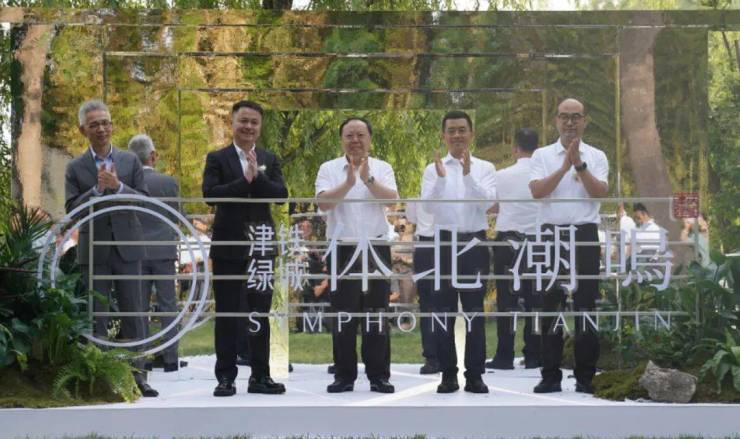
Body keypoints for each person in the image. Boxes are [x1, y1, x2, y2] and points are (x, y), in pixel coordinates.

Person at [64, 99, 157, 397]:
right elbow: (71, 210)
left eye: (105, 123)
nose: (101, 129)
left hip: (128, 247)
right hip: (95, 250)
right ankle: (100, 378)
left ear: (112, 126)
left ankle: (139, 377)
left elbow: (145, 202)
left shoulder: (130, 161)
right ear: (83, 130)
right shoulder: (75, 167)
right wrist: (96, 190)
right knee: (96, 315)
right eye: (94, 125)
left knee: (135, 313)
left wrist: (118, 187)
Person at [202, 100, 288, 396]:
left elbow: (281, 194)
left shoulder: (269, 158)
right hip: (228, 246)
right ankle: (225, 377)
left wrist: (257, 177)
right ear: (233, 123)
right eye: (244, 121)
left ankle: (260, 376)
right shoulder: (217, 158)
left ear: (260, 127)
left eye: (254, 122)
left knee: (259, 313)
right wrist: (244, 181)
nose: (248, 127)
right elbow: (210, 195)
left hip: (261, 246)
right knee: (227, 313)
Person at [529, 98, 609, 394]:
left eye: (576, 117)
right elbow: (538, 191)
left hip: (585, 235)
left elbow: (600, 192)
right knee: (550, 306)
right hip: (552, 236)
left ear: (585, 120)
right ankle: (550, 375)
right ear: (556, 120)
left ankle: (585, 376)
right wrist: (564, 167)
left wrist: (579, 165)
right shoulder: (542, 155)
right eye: (565, 117)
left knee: (585, 306)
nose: (570, 122)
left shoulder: (596, 156)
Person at [315, 117, 398, 394]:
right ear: (342, 140)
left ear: (369, 139)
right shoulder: (328, 168)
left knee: (377, 313)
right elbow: (323, 203)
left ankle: (379, 376)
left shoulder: (382, 167)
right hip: (342, 248)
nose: (355, 140)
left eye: (360, 135)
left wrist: (367, 179)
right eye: (349, 135)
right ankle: (344, 375)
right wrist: (349, 183)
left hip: (376, 247)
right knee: (343, 314)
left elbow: (392, 201)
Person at [421, 111, 496, 394]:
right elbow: (428, 208)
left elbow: (487, 205)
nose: (457, 135)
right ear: (444, 136)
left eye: (462, 130)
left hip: (474, 242)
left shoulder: (485, 167)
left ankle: (475, 375)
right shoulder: (433, 169)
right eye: (451, 130)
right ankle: (448, 374)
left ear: (471, 134)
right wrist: (441, 180)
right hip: (444, 243)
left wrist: (468, 176)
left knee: (475, 311)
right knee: (444, 312)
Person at [128, 134, 186, 372]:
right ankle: (170, 357)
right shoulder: (168, 182)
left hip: (135, 252)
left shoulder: (126, 183)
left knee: (139, 306)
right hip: (164, 250)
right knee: (167, 305)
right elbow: (178, 216)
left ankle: (142, 357)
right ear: (153, 155)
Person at [486, 127, 541, 371]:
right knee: (534, 299)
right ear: (537, 149)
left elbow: (492, 206)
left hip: (508, 240)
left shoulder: (502, 175)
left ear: (515, 148)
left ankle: (505, 355)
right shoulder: (543, 176)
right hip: (536, 240)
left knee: (506, 299)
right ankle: (534, 354)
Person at [406, 201, 440, 374]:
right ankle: (433, 356)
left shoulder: (418, 197)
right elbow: (412, 217)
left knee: (430, 304)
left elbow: (412, 218)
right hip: (430, 245)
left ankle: (434, 357)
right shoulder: (418, 198)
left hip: (432, 244)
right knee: (430, 304)